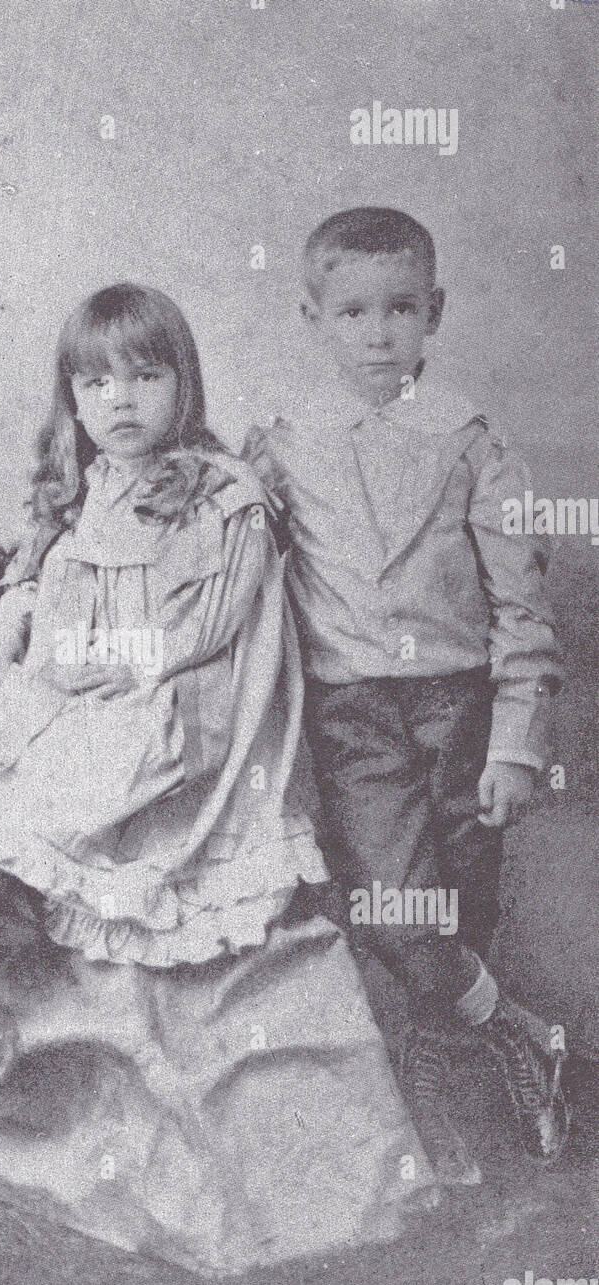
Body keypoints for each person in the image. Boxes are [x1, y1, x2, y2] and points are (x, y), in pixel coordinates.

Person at [0, 284, 437, 1273]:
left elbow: (208, 629)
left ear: (184, 383)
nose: (122, 399)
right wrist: (17, 600)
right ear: (73, 394)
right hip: (94, 677)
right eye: (96, 379)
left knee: (94, 761)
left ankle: (46, 876)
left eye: (147, 374)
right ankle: (11, 922)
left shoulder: (215, 491)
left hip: (184, 704)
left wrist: (82, 661)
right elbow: (50, 560)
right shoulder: (91, 480)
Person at [255, 207, 568, 1182]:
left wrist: (517, 743)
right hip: (357, 719)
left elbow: (521, 605)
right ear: (312, 317)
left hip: (464, 711)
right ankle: (520, 1029)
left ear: (433, 313)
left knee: (460, 917)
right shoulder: (286, 440)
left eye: (399, 309)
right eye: (351, 312)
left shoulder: (472, 441)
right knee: (395, 914)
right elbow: (223, 534)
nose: (377, 331)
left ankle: (462, 1130)